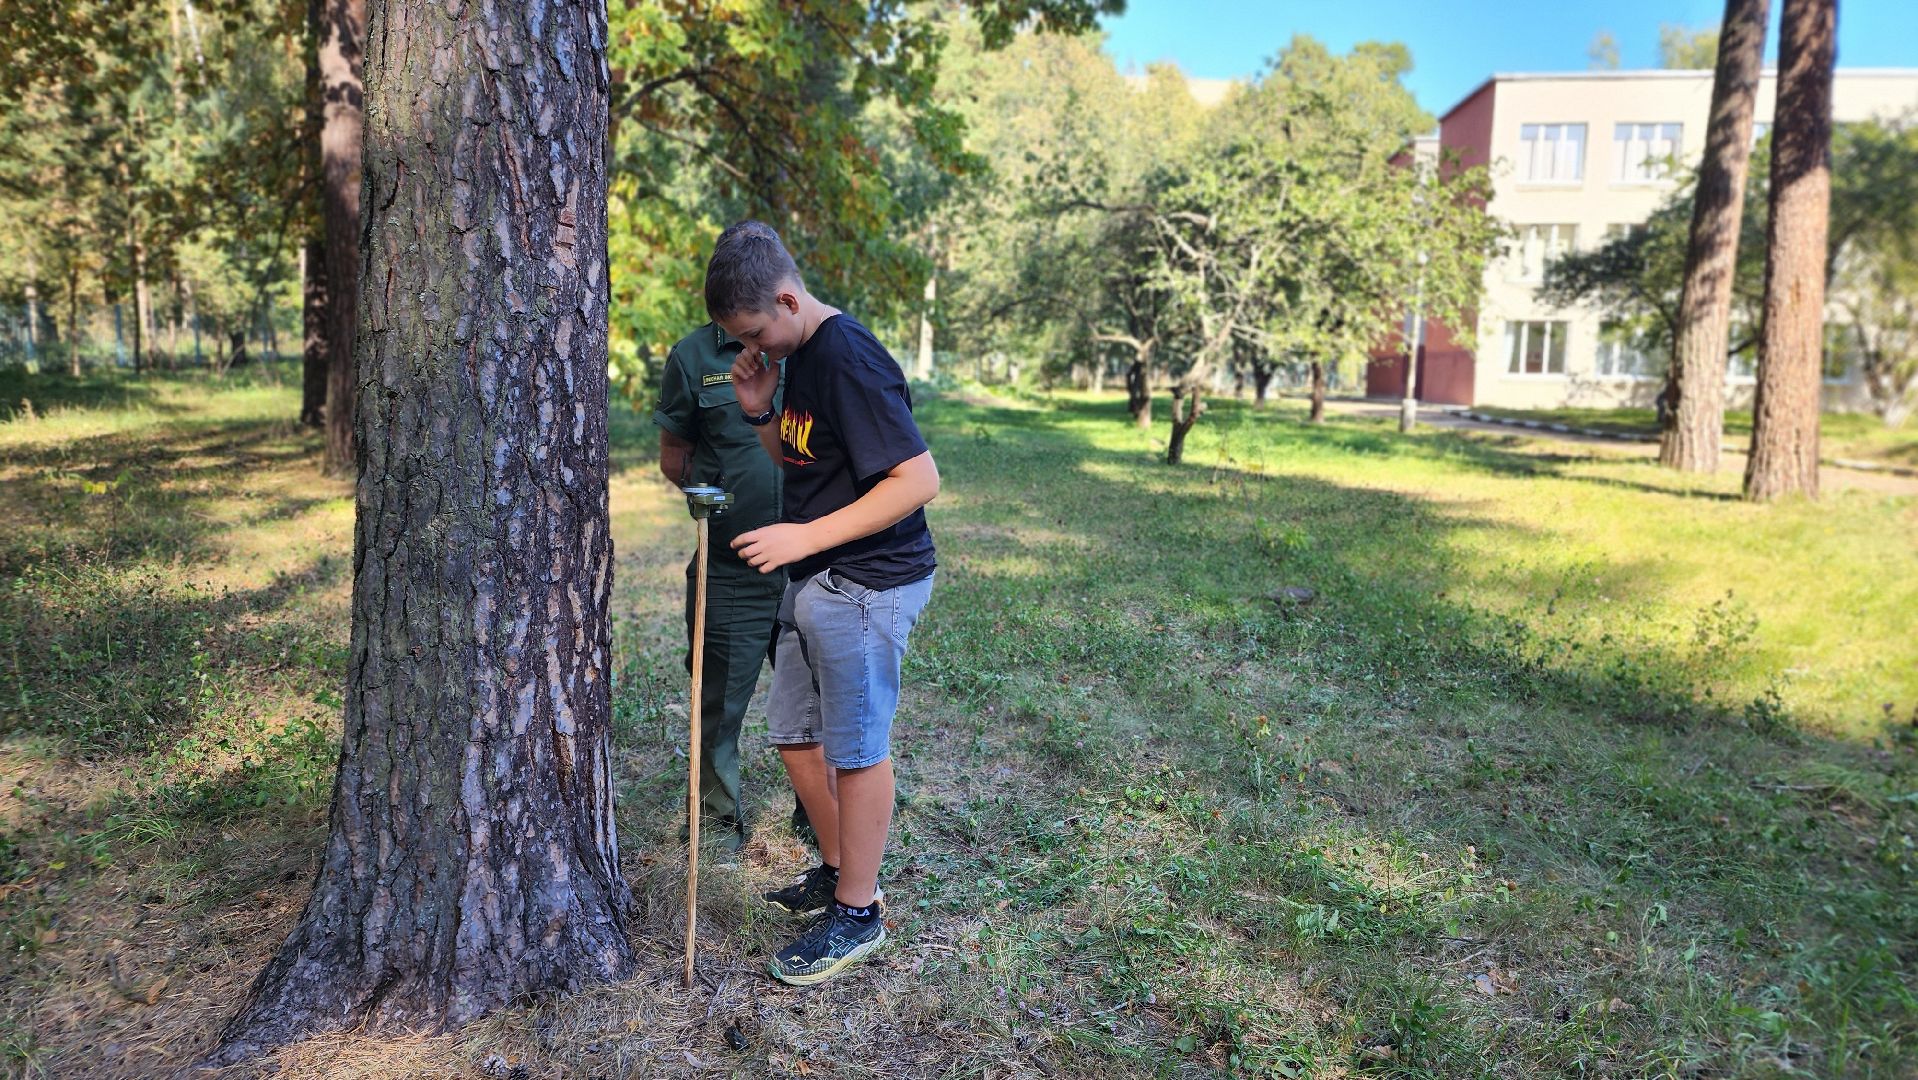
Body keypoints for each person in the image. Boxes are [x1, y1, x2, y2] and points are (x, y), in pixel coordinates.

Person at [705, 220, 939, 986]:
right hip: (820, 578)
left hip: (870, 582)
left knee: (857, 746)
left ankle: (860, 914)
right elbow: (804, 455)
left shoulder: (846, 357)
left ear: (786, 296)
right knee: (795, 735)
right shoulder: (796, 355)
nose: (753, 347)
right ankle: (839, 870)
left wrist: (803, 542)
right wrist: (760, 411)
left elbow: (915, 481)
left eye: (753, 333)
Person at [654, 314, 803, 852]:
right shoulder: (692, 357)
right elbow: (676, 457)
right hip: (732, 566)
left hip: (817, 565)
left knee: (823, 700)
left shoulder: (811, 344)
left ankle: (819, 815)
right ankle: (716, 829)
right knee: (717, 707)